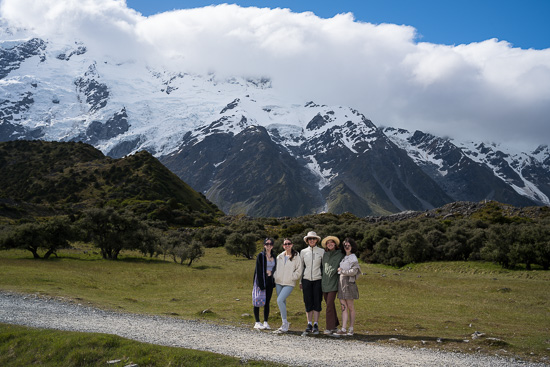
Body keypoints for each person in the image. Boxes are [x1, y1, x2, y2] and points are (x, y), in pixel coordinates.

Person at [273, 238, 303, 332]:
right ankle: (284, 323)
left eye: (289, 244)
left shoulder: (296, 256)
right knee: (282, 302)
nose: (287, 245)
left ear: (292, 245)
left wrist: (293, 277)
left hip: (289, 283)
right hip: (279, 282)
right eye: (285, 244)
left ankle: (285, 323)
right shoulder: (280, 256)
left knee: (279, 300)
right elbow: (275, 268)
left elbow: (299, 269)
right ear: (283, 246)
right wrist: (275, 276)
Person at [335, 238, 361, 336]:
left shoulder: (353, 258)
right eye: (345, 245)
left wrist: (342, 271)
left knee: (350, 306)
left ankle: (351, 328)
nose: (347, 247)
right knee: (343, 307)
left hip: (349, 283)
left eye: (348, 245)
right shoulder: (344, 257)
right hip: (341, 283)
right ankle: (343, 328)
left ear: (352, 246)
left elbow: (354, 271)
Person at [300, 231, 324, 334]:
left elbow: (324, 267)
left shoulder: (322, 251)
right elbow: (301, 267)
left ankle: (316, 324)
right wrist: (301, 281)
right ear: (307, 241)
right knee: (308, 301)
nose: (312, 240)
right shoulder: (303, 252)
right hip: (306, 280)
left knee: (317, 301)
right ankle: (309, 323)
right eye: (310, 239)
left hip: (318, 279)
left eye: (314, 239)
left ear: (317, 240)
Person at [321, 235, 344, 335]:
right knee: (329, 304)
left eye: (332, 242)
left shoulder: (340, 254)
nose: (330, 244)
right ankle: (334, 324)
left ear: (335, 244)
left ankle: (329, 328)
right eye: (328, 243)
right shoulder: (324, 255)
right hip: (324, 283)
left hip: (334, 283)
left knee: (329, 305)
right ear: (326, 245)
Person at [253, 238, 277, 330]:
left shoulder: (274, 256)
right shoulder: (260, 256)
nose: (269, 245)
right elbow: (258, 270)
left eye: (271, 244)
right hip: (261, 280)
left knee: (267, 302)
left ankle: (266, 322)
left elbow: (275, 268)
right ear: (264, 245)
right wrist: (260, 284)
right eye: (267, 244)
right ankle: (257, 322)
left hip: (270, 281)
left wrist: (272, 274)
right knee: (258, 300)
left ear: (273, 246)